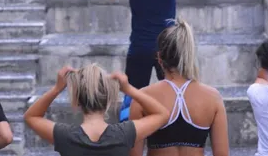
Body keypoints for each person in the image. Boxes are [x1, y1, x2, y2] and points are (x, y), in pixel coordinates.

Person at [108, 0, 196, 121]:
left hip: (139, 46)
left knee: (132, 96)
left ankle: (130, 136)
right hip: (166, 49)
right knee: (173, 93)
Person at [129, 19, 229, 156]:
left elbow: (134, 154)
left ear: (159, 58)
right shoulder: (213, 97)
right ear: (189, 56)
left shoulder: (142, 98)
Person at [24, 64, 170, 156]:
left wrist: (57, 89)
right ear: (108, 100)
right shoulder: (124, 134)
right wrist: (129, 89)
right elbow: (162, 114)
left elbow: (31, 116)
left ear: (77, 100)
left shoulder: (65, 136)